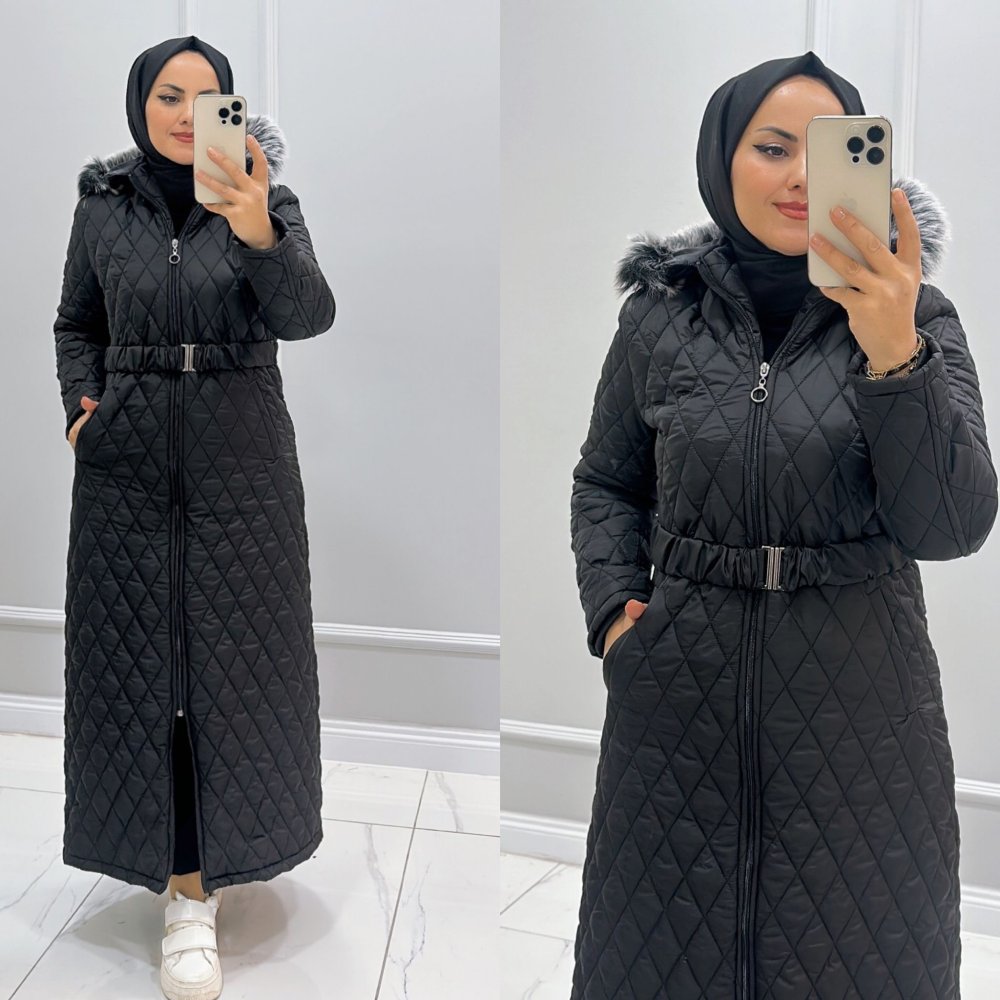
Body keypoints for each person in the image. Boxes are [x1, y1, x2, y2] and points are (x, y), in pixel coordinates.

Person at [569, 51, 997, 999]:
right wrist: (614, 616)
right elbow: (606, 482)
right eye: (771, 148)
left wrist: (895, 352)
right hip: (675, 705)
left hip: (864, 715)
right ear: (721, 157)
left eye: (828, 149)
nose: (801, 175)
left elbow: (952, 526)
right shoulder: (660, 315)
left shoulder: (920, 317)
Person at [54, 35, 336, 1000]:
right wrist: (83, 408)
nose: (186, 114)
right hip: (124, 469)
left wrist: (257, 226)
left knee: (234, 668)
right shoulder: (102, 205)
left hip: (242, 464)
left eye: (206, 96)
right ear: (140, 104)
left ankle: (205, 883)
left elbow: (308, 316)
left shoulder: (266, 198)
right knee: (139, 669)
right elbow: (76, 322)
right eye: (168, 96)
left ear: (233, 107)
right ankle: (176, 881)